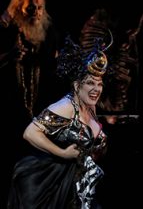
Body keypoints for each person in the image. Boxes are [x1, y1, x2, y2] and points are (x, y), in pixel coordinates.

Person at [7, 36, 109, 209]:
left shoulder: (90, 106)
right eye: (90, 83)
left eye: (99, 84)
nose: (96, 89)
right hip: (53, 184)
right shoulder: (66, 106)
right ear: (77, 86)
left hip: (80, 183)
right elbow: (30, 132)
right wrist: (62, 153)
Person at [0, 0, 64, 207]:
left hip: (41, 108)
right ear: (19, 8)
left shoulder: (49, 30)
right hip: (11, 109)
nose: (36, 12)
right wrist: (8, 56)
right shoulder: (6, 29)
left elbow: (55, 66)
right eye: (30, 9)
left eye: (39, 8)